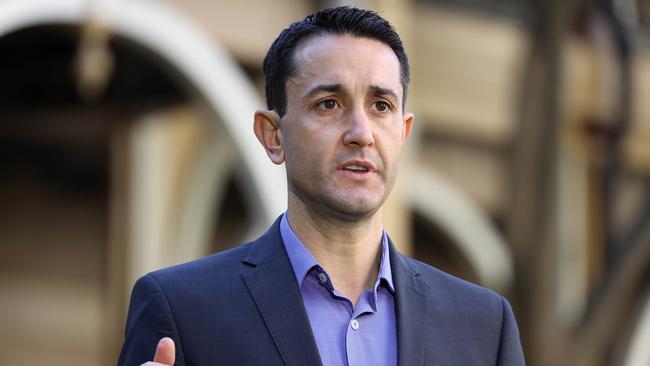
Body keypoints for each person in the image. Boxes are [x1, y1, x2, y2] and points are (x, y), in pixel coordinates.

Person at [118, 6, 525, 366]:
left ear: (403, 133)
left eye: (380, 106)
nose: (361, 133)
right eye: (329, 104)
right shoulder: (182, 310)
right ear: (273, 135)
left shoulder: (484, 326)